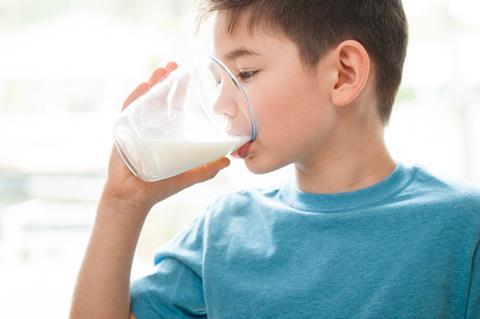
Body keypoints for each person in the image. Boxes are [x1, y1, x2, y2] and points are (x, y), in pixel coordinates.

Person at [69, 1, 480, 318]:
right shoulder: (224, 232)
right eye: (218, 81)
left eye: (245, 74)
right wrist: (122, 203)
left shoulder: (464, 228)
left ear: (343, 74)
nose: (221, 105)